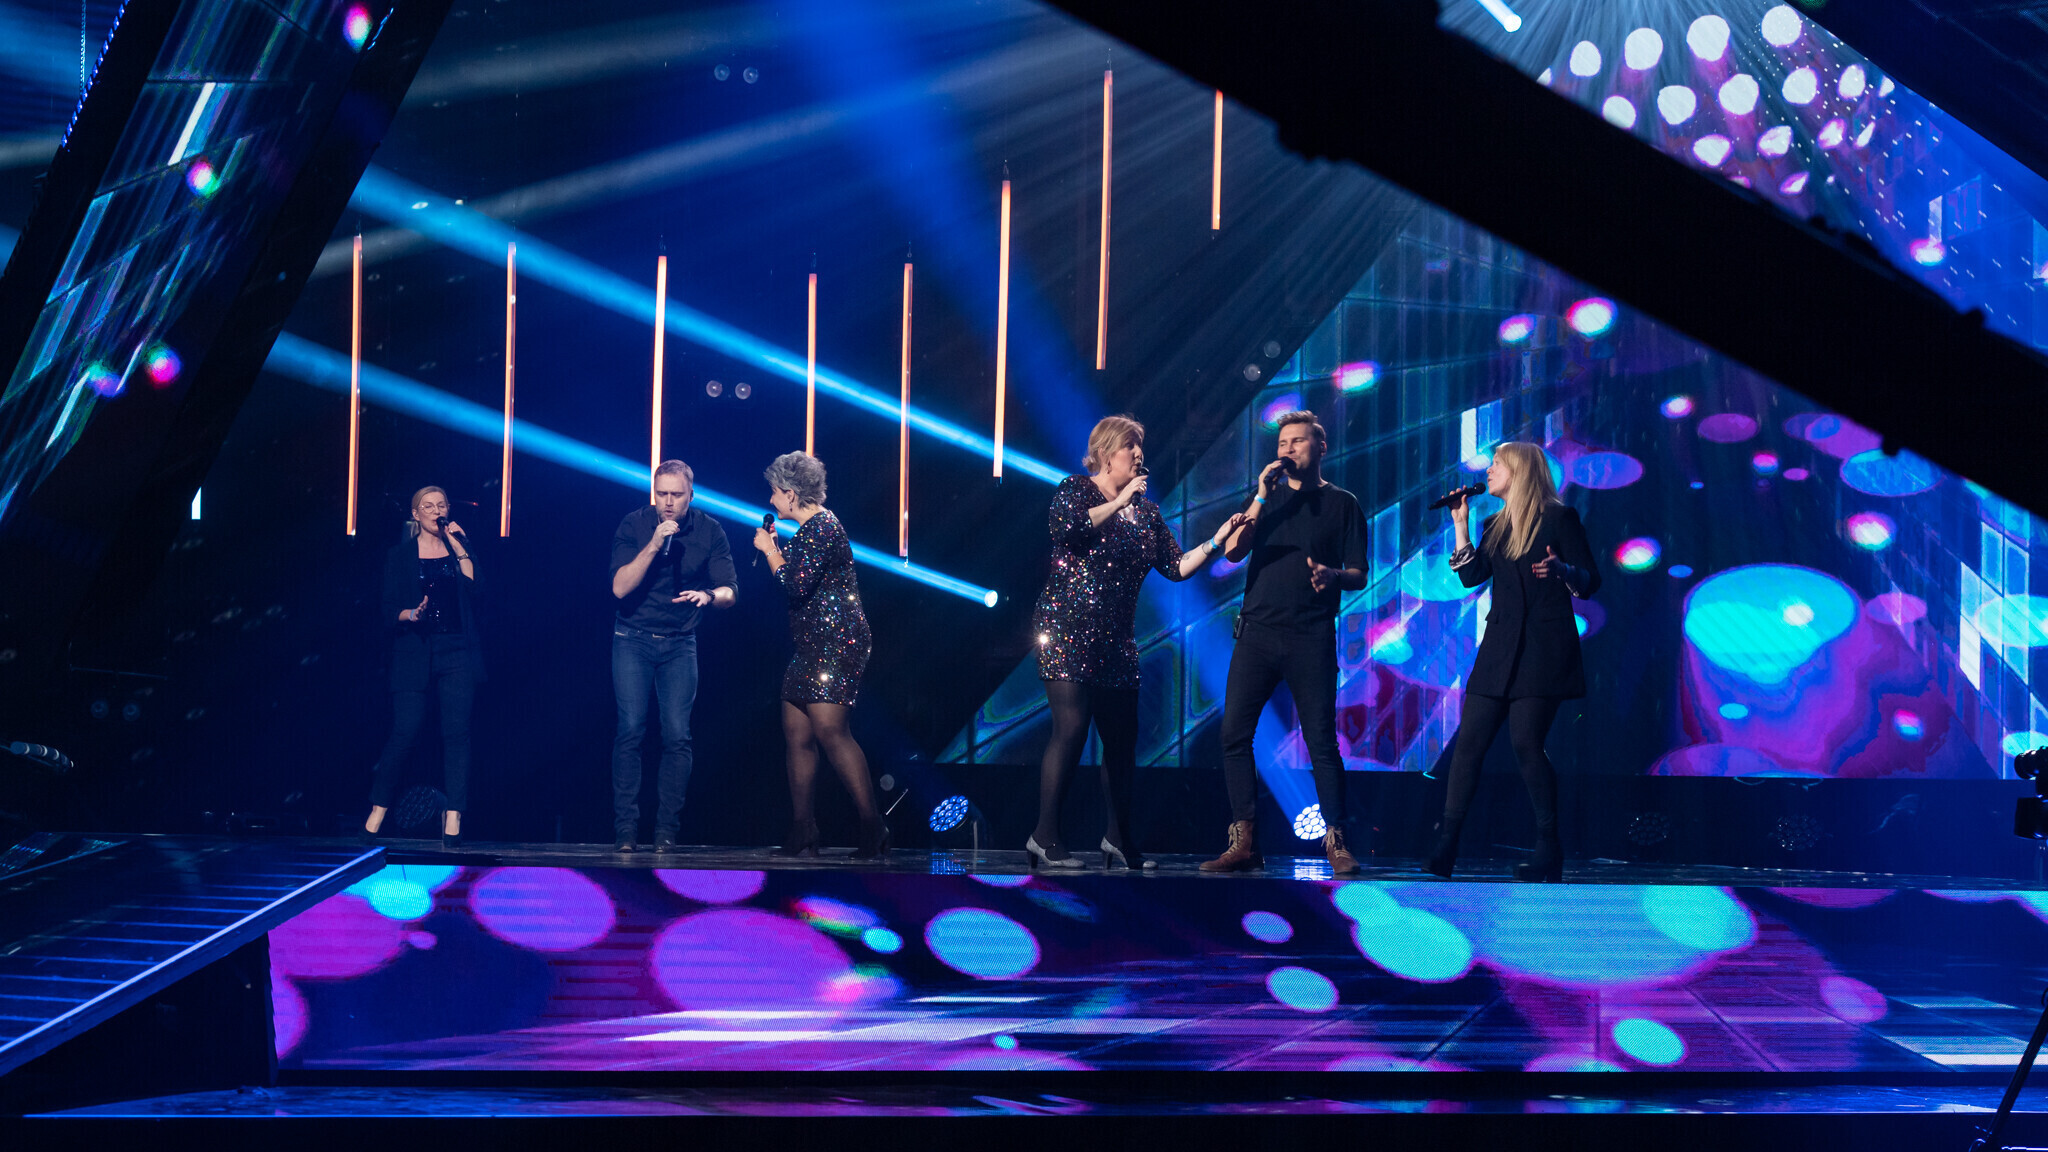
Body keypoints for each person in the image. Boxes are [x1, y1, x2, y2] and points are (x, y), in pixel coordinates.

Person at [1028, 415, 1245, 870]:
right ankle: (1045, 836)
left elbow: (1176, 567)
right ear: (1107, 453)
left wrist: (1215, 541)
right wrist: (1118, 500)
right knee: (1071, 727)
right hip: (1068, 629)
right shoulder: (1075, 490)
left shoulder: (1145, 513)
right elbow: (1068, 529)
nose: (1139, 453)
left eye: (1140, 446)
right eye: (1131, 446)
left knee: (1122, 740)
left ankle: (1119, 839)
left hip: (1116, 640)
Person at [1200, 411, 1370, 875]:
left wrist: (1333, 575)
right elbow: (1234, 551)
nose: (1287, 449)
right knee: (1234, 733)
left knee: (1321, 741)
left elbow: (1359, 572)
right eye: (1282, 443)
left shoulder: (1343, 504)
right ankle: (1243, 842)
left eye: (1297, 441)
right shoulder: (1266, 500)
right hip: (1257, 632)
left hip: (1310, 635)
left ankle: (1336, 840)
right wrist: (1259, 496)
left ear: (1321, 447)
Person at [1423, 441, 1600, 882]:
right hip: (1499, 648)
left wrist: (1563, 571)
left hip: (1543, 649)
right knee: (1469, 743)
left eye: (1498, 464)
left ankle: (1549, 848)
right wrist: (1460, 524)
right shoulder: (1496, 524)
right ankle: (1446, 845)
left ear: (1520, 470)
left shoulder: (1559, 518)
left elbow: (1590, 581)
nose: (1489, 471)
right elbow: (1471, 576)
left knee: (1525, 742)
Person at [751, 452, 886, 859]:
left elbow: (794, 585)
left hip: (836, 641)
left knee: (830, 730)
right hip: (811, 644)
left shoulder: (822, 527)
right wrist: (778, 549)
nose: (771, 500)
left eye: (775, 492)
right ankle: (803, 828)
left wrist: (768, 550)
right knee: (797, 731)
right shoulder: (809, 531)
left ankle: (873, 826)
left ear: (791, 494)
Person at [610, 459, 737, 853]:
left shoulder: (710, 530)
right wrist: (653, 544)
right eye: (661, 494)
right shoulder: (634, 524)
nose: (667, 502)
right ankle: (626, 831)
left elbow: (730, 589)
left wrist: (710, 595)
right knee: (631, 729)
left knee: (677, 735)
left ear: (690, 496)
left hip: (680, 643)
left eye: (676, 495)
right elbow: (619, 588)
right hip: (632, 638)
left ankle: (666, 831)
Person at [363, 486, 479, 850]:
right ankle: (378, 807)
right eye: (428, 506)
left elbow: (476, 588)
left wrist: (458, 543)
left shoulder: (458, 548)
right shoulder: (399, 555)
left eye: (441, 504)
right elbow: (386, 609)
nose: (436, 510)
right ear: (416, 514)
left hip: (456, 650)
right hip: (414, 649)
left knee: (457, 733)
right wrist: (412, 614)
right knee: (405, 730)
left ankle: (454, 814)